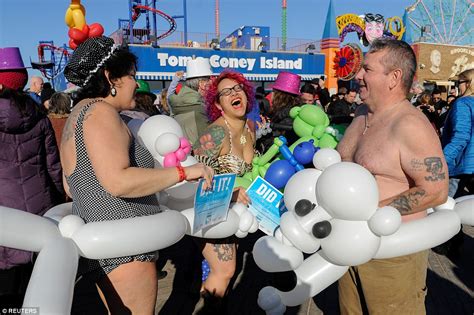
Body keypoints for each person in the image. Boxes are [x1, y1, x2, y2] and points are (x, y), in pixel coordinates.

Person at [62, 36, 213, 314]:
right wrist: (182, 172)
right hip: (126, 246)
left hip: (107, 245)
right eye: (132, 76)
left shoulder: (78, 115)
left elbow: (72, 186)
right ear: (111, 78)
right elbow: (118, 181)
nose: (136, 82)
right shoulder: (101, 113)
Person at [336, 38, 448, 315]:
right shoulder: (362, 113)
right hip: (346, 245)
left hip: (391, 257)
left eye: (367, 69)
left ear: (393, 77)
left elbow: (435, 191)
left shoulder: (409, 124)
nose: (358, 76)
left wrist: (373, 214)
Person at [0, 47, 64, 308]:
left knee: (5, 286)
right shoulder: (39, 115)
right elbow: (53, 166)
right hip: (39, 209)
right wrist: (60, 199)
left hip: (4, 216)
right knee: (34, 287)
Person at [193, 70, 255, 311]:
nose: (234, 93)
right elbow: (193, 179)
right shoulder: (216, 132)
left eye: (238, 88)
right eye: (226, 92)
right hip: (212, 208)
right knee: (225, 271)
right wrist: (232, 191)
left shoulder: (249, 128)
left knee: (229, 273)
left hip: (236, 215)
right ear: (218, 104)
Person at [169, 58, 213, 144]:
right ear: (202, 84)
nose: (211, 84)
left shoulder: (177, 103)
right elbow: (209, 144)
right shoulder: (200, 109)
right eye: (209, 80)